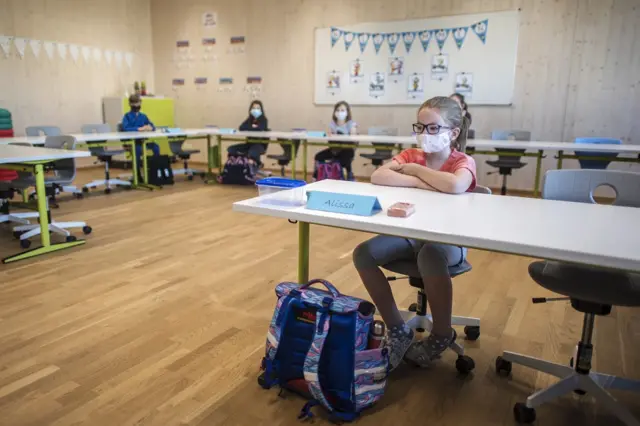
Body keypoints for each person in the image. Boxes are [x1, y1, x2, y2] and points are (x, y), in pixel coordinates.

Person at [352, 96, 475, 370]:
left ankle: (442, 334)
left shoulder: (461, 161)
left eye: (433, 128)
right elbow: (379, 176)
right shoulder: (409, 154)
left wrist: (415, 172)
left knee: (431, 254)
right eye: (419, 127)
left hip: (450, 239)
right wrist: (425, 182)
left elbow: (456, 186)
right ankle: (398, 329)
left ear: (453, 133)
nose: (424, 134)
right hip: (410, 234)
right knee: (364, 254)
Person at [314, 101, 358, 180]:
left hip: (346, 150)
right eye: (337, 110)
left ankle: (349, 174)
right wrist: (330, 135)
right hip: (334, 150)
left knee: (343, 160)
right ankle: (317, 175)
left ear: (347, 112)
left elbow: (353, 137)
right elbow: (330, 137)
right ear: (334, 112)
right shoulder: (333, 124)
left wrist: (343, 135)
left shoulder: (351, 124)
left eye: (342, 110)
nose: (339, 112)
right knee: (318, 156)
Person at [121, 94, 160, 164]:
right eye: (134, 103)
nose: (136, 105)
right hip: (133, 142)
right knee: (137, 150)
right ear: (130, 104)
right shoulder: (127, 116)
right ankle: (137, 172)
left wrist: (151, 127)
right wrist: (139, 129)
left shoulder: (143, 116)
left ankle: (154, 167)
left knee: (156, 147)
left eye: (138, 103)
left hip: (143, 140)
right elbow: (125, 128)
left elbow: (152, 126)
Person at [228, 100, 269, 165]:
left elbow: (260, 129)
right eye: (254, 108)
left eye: (258, 108)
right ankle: (237, 166)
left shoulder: (264, 119)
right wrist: (253, 126)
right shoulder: (249, 119)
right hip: (249, 144)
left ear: (261, 110)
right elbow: (241, 127)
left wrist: (250, 127)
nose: (256, 110)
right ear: (251, 109)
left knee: (252, 152)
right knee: (231, 149)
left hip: (260, 145)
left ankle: (256, 165)